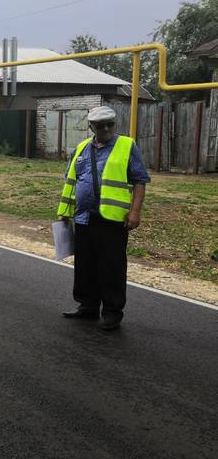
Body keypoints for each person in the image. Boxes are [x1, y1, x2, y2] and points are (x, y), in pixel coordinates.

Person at [57, 105, 150, 330]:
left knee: (111, 267)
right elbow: (71, 182)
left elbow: (140, 180)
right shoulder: (80, 148)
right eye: (101, 125)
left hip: (112, 219)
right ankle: (87, 307)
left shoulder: (127, 146)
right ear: (91, 127)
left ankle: (112, 312)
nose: (106, 128)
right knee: (85, 265)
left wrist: (135, 211)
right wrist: (64, 212)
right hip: (83, 217)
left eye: (110, 124)